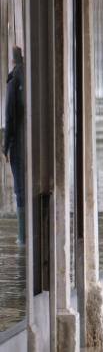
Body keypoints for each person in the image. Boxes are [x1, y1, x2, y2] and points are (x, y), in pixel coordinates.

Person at [4, 47, 24, 245]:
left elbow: (9, 117)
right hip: (32, 141)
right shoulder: (31, 77)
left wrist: (5, 147)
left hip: (18, 142)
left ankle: (22, 236)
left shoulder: (13, 81)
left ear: (12, 61)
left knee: (20, 189)